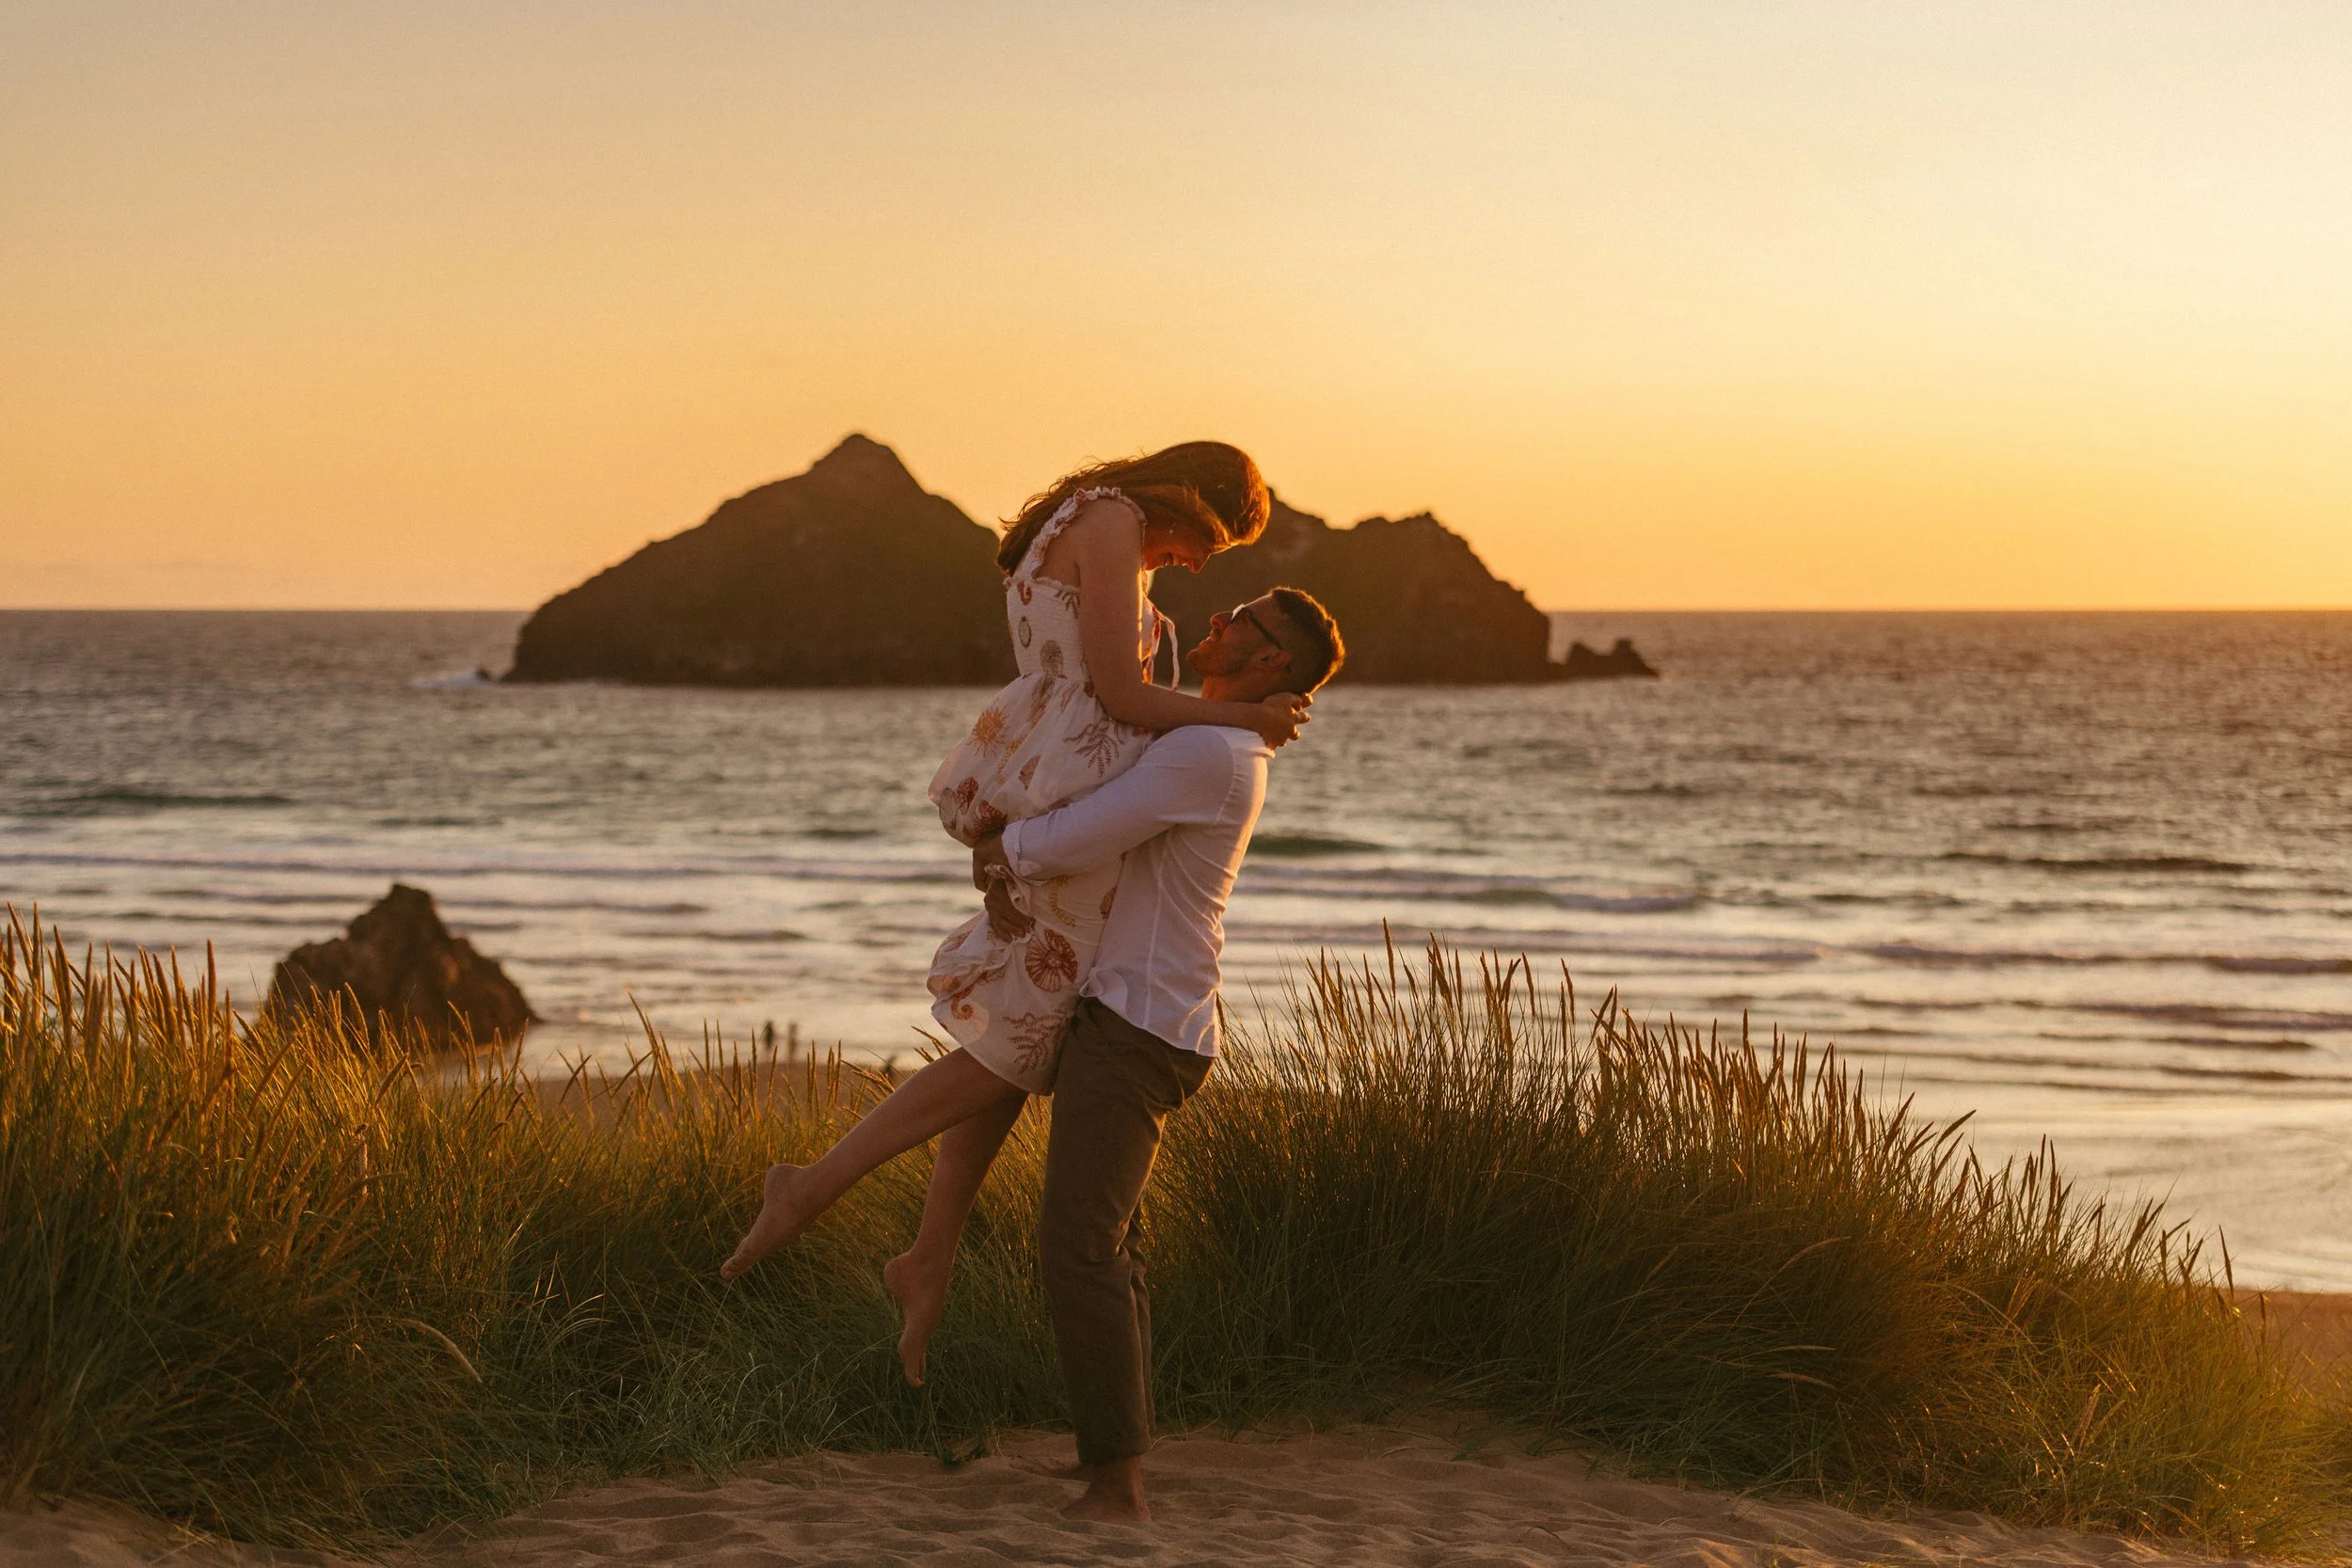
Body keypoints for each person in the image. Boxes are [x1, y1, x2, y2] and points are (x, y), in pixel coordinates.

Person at [720, 444, 1302, 1374]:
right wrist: (1247, 719)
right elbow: (1114, 691)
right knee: (1019, 1039)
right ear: (1189, 498)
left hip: (1053, 776)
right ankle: (814, 1187)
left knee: (1016, 1034)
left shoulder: (1089, 520)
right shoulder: (1110, 519)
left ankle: (928, 1255)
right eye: (1209, 539)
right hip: (1060, 791)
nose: (1199, 564)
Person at [979, 585, 1344, 1522]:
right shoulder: (1215, 735)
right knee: (1113, 1246)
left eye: (1242, 622)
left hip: (1138, 1025)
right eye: (1233, 607)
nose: (1216, 620)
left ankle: (1118, 1485)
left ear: (1272, 663)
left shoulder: (1207, 750)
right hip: (1146, 1015)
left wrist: (997, 835)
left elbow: (1070, 840)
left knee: (1079, 1248)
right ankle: (1113, 1456)